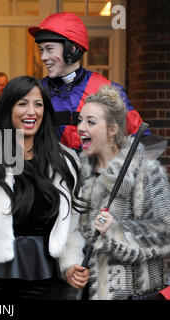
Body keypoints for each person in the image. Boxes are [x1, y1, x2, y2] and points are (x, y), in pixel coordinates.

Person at [0, 76, 89, 300]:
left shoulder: (66, 161)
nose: (31, 111)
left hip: (50, 279)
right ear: (9, 108)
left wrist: (72, 264)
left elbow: (73, 228)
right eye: (22, 104)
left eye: (38, 104)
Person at [76, 85, 170, 300]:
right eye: (80, 120)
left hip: (133, 291)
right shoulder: (79, 172)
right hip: (89, 291)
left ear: (112, 129)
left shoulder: (146, 171)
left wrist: (116, 230)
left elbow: (165, 233)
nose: (81, 127)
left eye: (90, 122)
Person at [28, 12, 148, 151]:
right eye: (41, 50)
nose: (43, 57)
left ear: (71, 50)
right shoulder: (37, 92)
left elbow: (141, 139)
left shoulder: (108, 90)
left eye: (49, 49)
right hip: (51, 171)